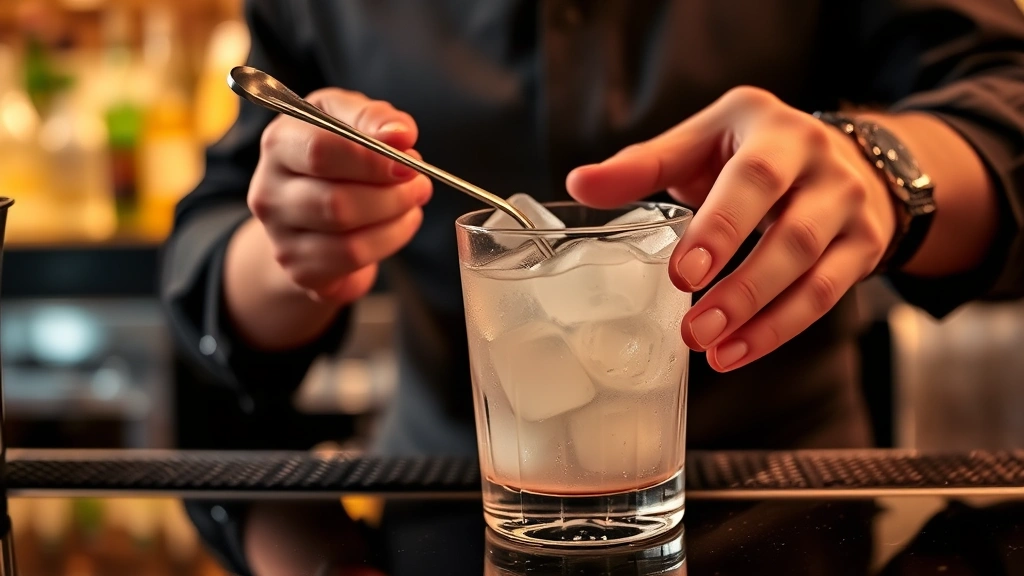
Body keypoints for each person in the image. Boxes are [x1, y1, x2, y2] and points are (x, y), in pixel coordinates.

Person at [162, 0, 1024, 457]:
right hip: (446, 496)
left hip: (784, 485)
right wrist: (300, 246)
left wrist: (879, 169)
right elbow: (208, 253)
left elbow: (1001, 96)